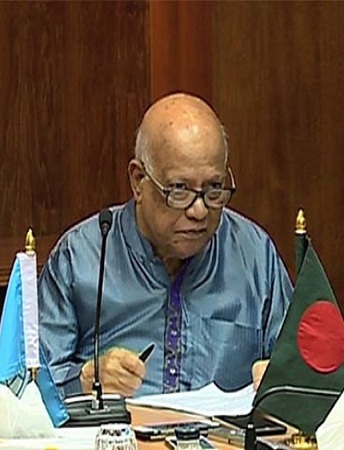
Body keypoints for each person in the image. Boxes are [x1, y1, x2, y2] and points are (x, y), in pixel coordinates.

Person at [38, 92, 292, 398]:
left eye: (213, 189)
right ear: (138, 180)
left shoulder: (254, 256)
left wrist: (283, 379)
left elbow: (304, 374)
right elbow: (26, 389)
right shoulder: (82, 257)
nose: (199, 211)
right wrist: (82, 380)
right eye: (179, 189)